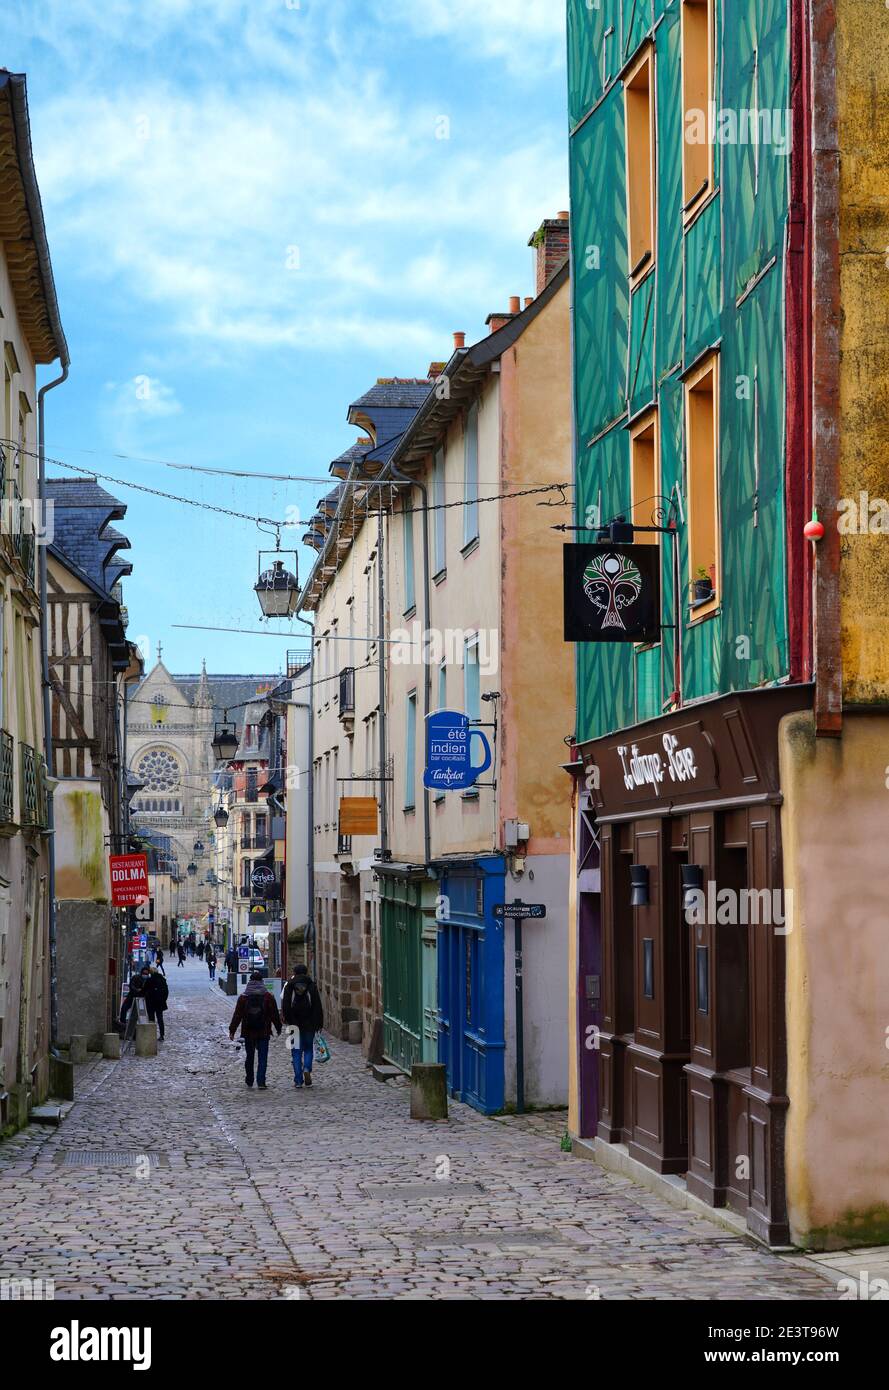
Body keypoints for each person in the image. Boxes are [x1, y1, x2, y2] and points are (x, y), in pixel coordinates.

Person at [228, 972, 281, 1089]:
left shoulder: (243, 997)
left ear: (250, 981)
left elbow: (237, 1015)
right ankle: (261, 1081)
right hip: (264, 1031)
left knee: (250, 1056)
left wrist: (232, 1030)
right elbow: (274, 1014)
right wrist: (278, 1027)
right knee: (263, 1057)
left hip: (248, 1032)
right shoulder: (268, 996)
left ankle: (249, 1079)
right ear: (262, 981)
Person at [281, 964, 324, 1089]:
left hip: (294, 1024)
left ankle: (298, 1080)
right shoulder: (311, 985)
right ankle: (307, 1068)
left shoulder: (289, 985)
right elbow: (317, 1006)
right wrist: (319, 1023)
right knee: (308, 1049)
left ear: (294, 972)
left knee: (295, 1052)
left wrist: (289, 1020)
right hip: (309, 1024)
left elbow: (286, 1005)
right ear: (306, 972)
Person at [119, 966, 151, 1035]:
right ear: (141, 972)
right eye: (144, 973)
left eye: (146, 974)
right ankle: (123, 1024)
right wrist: (137, 990)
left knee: (140, 1014)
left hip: (142, 999)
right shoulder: (135, 977)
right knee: (124, 1008)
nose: (145, 975)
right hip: (132, 996)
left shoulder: (148, 980)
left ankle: (141, 1028)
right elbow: (131, 986)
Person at [145, 966, 169, 1041]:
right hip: (160, 1002)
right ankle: (162, 1035)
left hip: (151, 1002)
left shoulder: (149, 980)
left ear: (151, 972)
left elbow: (144, 990)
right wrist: (163, 999)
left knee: (151, 1019)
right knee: (160, 1019)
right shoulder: (162, 979)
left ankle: (151, 1035)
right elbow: (166, 991)